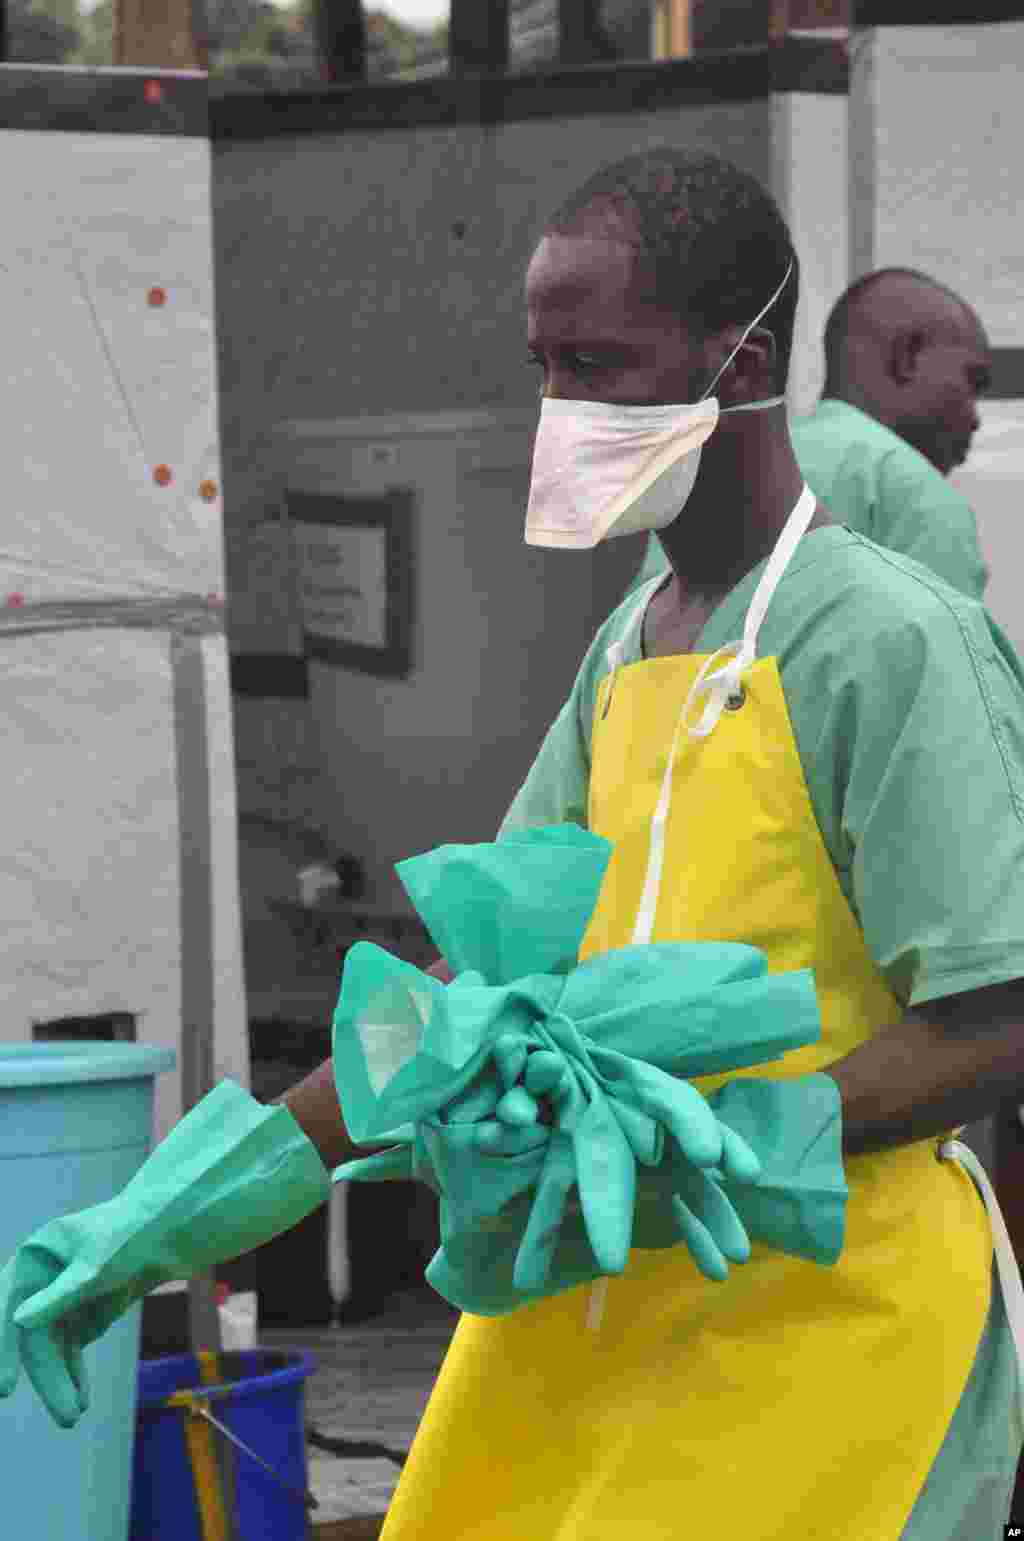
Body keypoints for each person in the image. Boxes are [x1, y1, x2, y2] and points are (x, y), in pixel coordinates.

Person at [3, 149, 1024, 1541]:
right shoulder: (628, 652)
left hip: (829, 1322)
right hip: (602, 1314)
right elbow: (452, 1011)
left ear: (743, 363)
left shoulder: (891, 642)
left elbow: (997, 1015)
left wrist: (741, 1133)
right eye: (545, 365)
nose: (561, 411)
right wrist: (167, 1215)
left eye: (599, 362)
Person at [624, 266, 992, 601]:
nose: (975, 417)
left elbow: (634, 641)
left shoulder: (711, 470)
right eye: (971, 381)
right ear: (907, 357)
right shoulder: (917, 495)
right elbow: (951, 665)